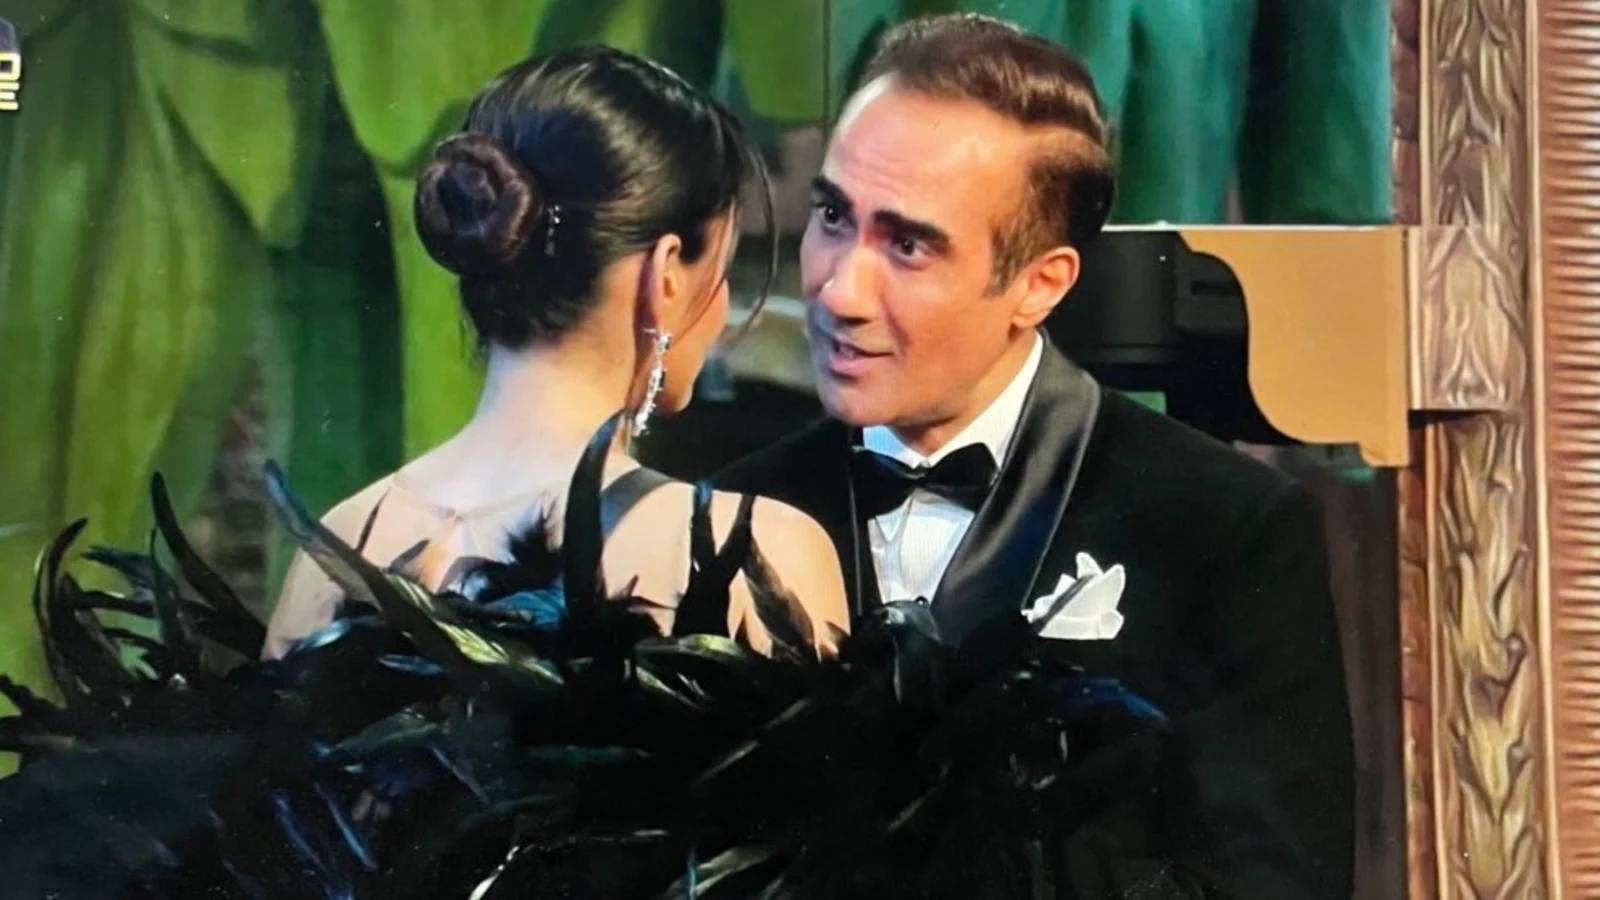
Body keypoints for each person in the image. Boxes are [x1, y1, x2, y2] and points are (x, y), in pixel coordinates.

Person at [714, 13, 1355, 899]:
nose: (839, 290)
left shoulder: (1225, 532)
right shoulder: (729, 516)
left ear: (1038, 284)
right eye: (832, 216)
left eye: (907, 244)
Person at [263, 46, 849, 659]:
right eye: (719, 269)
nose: (722, 304)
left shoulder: (335, 550)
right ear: (668, 275)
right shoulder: (753, 555)